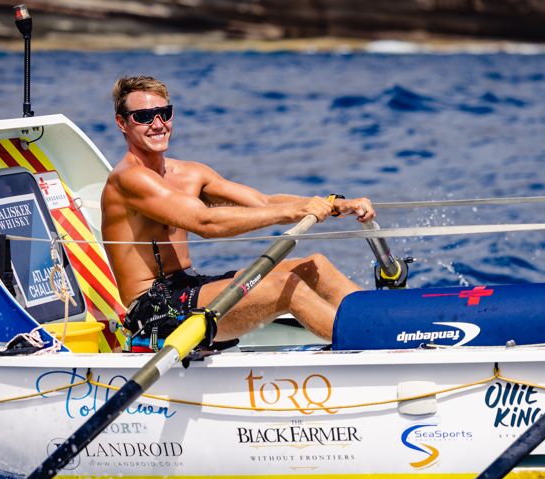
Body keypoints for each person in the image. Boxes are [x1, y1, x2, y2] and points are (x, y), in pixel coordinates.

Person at [102, 75, 375, 347]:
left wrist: (334, 204)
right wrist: (294, 212)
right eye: (144, 116)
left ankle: (384, 325)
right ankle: (372, 346)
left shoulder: (191, 173)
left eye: (164, 113)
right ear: (122, 123)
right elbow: (205, 223)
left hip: (190, 286)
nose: (158, 124)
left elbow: (262, 202)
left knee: (314, 265)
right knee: (284, 287)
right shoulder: (129, 179)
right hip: (153, 311)